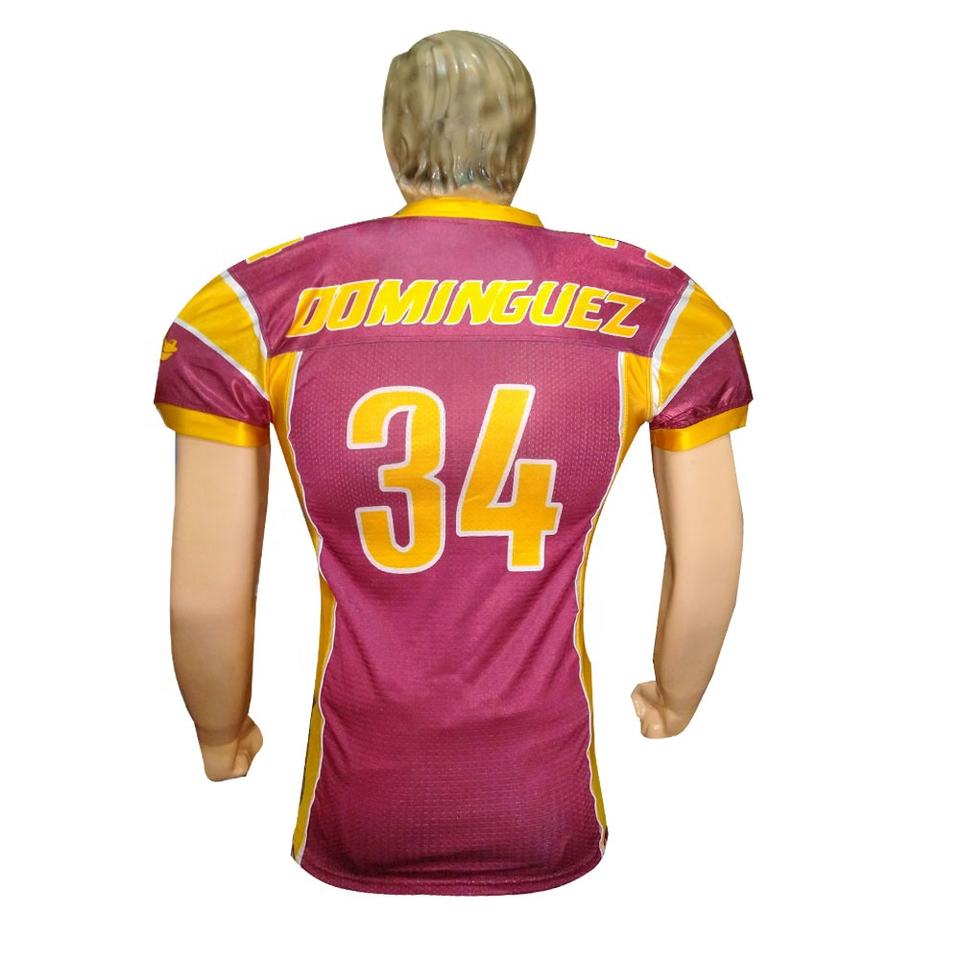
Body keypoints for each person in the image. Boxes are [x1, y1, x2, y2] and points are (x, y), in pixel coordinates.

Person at [153, 29, 752, 896]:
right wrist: (675, 696)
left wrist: (220, 732)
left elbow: (203, 594)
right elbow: (711, 560)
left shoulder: (249, 310)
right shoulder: (659, 311)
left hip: (358, 802)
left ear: (391, 140)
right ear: (524, 142)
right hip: (545, 799)